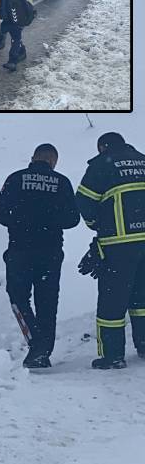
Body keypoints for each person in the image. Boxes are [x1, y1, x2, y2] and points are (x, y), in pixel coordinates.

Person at [0, 143, 81, 368]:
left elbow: (0, 212)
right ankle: (43, 352)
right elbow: (73, 219)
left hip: (20, 250)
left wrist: (20, 220)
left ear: (33, 158)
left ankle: (36, 344)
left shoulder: (15, 178)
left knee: (17, 297)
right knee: (48, 302)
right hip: (50, 252)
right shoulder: (62, 182)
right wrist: (49, 220)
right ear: (53, 161)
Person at [76, 132, 145, 370]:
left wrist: (98, 226)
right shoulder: (143, 160)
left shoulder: (102, 165)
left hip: (118, 244)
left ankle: (113, 355)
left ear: (103, 147)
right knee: (142, 299)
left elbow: (84, 202)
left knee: (112, 301)